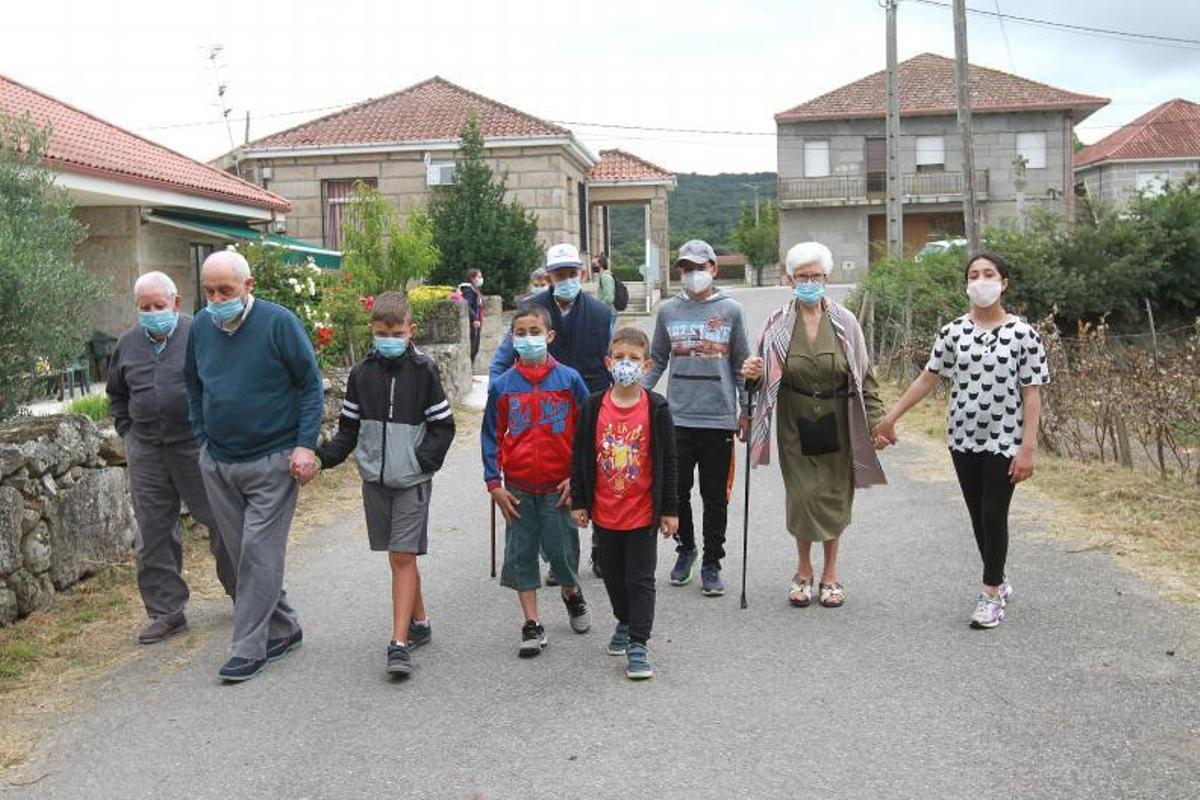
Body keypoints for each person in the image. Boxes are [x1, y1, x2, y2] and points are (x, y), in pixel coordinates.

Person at [873, 252, 1047, 629]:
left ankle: (989, 595)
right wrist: (891, 417)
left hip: (1005, 437)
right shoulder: (952, 332)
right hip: (963, 437)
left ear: (1004, 283)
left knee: (993, 513)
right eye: (974, 274)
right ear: (966, 283)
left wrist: (1028, 447)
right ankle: (998, 577)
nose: (981, 280)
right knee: (977, 516)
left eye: (989, 274)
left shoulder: (1024, 334)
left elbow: (1032, 391)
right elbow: (928, 377)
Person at [184, 249, 324, 683]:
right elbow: (192, 384)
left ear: (248, 287)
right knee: (243, 555)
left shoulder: (278, 323)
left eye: (225, 290)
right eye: (209, 290)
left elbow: (310, 386)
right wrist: (202, 440)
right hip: (219, 461)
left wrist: (304, 446)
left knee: (258, 552)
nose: (216, 298)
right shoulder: (201, 328)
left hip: (273, 460)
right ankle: (286, 627)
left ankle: (248, 648)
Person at [315, 292, 455, 677]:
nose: (388, 338)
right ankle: (420, 621)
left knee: (402, 556)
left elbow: (443, 427)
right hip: (374, 480)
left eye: (395, 332)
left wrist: (418, 462)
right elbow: (348, 430)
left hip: (410, 479)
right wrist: (322, 458)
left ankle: (398, 645)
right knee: (400, 555)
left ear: (411, 330)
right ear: (372, 331)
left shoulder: (424, 371)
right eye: (381, 332)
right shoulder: (361, 374)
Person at [741, 242, 887, 609]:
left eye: (816, 276)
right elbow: (759, 380)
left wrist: (877, 420)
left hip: (839, 418)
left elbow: (865, 374)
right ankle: (803, 571)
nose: (809, 282)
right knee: (804, 495)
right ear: (790, 280)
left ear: (827, 277)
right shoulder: (776, 324)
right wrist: (752, 376)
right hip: (795, 418)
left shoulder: (845, 322)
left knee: (835, 494)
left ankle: (830, 575)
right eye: (802, 276)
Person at [106, 271, 236, 644]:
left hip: (193, 444)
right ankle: (166, 611)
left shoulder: (201, 333)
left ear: (176, 304)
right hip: (146, 448)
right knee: (153, 530)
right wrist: (127, 429)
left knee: (221, 520)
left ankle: (246, 594)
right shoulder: (127, 343)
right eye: (144, 308)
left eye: (158, 306)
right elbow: (117, 392)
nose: (151, 313)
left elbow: (221, 384)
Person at [490, 243, 615, 577]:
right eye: (560, 274)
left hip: (592, 406)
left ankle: (600, 546)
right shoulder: (530, 312)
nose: (566, 279)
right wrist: (498, 392)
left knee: (596, 482)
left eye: (572, 273)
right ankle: (555, 552)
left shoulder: (602, 314)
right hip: (541, 411)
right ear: (549, 277)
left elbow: (612, 360)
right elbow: (502, 360)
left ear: (581, 274)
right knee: (550, 491)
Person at [482, 305, 592, 657]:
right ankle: (532, 624)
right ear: (512, 339)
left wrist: (577, 480)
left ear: (549, 336)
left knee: (563, 556)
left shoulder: (569, 380)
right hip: (517, 489)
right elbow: (491, 437)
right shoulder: (503, 387)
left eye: (534, 331)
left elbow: (586, 434)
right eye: (520, 332)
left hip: (559, 489)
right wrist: (494, 484)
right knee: (521, 555)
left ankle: (572, 594)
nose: (527, 338)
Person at [642, 239, 750, 597]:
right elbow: (657, 359)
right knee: (677, 491)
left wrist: (746, 411)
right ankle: (686, 549)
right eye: (687, 268)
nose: (694, 274)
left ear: (714, 269)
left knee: (715, 495)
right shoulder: (669, 312)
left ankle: (712, 563)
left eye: (700, 268)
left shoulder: (731, 311)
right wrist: (634, 396)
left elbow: (741, 366)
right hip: (678, 417)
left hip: (719, 417)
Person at [571, 327, 678, 680]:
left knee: (640, 579)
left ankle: (638, 643)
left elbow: (668, 461)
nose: (626, 364)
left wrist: (669, 509)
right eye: (620, 358)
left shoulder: (657, 408)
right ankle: (624, 619)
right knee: (613, 577)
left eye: (634, 359)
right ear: (608, 362)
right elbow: (580, 457)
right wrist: (579, 501)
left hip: (642, 512)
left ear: (647, 364)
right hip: (605, 512)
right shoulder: (593, 406)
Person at [458, 268, 485, 369]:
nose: (481, 279)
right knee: (473, 348)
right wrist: (474, 318)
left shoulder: (474, 290)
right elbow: (467, 306)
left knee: (475, 348)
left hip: (476, 322)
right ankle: (470, 374)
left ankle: (471, 373)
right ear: (472, 278)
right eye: (479, 277)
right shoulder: (468, 291)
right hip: (472, 324)